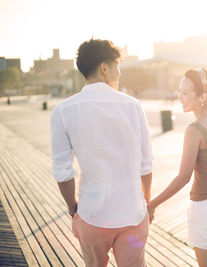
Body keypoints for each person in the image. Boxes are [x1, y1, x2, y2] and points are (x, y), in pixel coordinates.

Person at [50, 39, 153, 267]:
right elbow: (145, 165)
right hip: (132, 215)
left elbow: (63, 171)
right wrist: (145, 200)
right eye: (117, 66)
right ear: (104, 68)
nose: (119, 74)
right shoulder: (133, 106)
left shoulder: (63, 111)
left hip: (92, 214)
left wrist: (72, 208)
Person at [148, 68, 207, 267]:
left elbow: (184, 177)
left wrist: (152, 204)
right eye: (179, 91)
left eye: (185, 92)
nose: (179, 97)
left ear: (203, 97)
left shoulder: (194, 130)